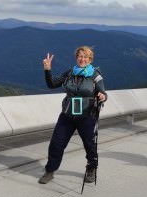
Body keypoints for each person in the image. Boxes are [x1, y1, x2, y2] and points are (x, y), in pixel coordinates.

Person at [38, 46, 107, 184]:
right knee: (56, 144)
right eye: (80, 56)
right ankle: (50, 171)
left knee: (89, 145)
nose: (82, 59)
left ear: (90, 59)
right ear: (76, 57)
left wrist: (102, 96)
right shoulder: (70, 73)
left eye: (85, 57)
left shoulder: (95, 75)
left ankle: (91, 169)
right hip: (67, 115)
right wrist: (47, 69)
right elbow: (51, 84)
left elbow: (103, 93)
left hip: (87, 115)